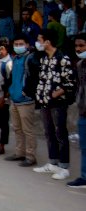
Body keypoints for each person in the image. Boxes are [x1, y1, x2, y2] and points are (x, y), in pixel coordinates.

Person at [33, 29, 75, 181]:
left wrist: (56, 93)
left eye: (39, 40)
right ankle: (53, 162)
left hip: (58, 103)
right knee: (49, 132)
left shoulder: (62, 58)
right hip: (45, 102)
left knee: (60, 134)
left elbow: (70, 82)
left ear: (47, 41)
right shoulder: (44, 58)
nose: (37, 43)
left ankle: (64, 166)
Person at [5, 35, 40, 167]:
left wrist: (27, 92)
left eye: (21, 44)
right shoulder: (15, 59)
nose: (18, 46)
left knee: (28, 130)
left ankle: (31, 156)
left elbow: (34, 78)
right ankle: (20, 153)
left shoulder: (31, 59)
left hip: (26, 100)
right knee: (17, 128)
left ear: (27, 45)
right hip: (14, 98)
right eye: (16, 44)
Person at [67, 33, 86, 188]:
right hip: (83, 111)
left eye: (82, 46)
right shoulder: (80, 65)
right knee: (84, 147)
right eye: (77, 46)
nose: (79, 49)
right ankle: (84, 176)